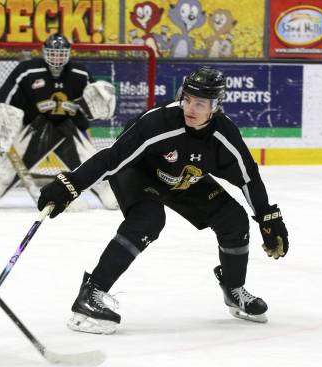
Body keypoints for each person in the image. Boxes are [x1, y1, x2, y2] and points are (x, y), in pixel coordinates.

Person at [37, 66, 289, 334]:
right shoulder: (159, 123)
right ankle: (91, 293)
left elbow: (248, 176)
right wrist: (72, 184)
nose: (190, 108)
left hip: (183, 178)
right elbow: (113, 158)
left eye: (200, 103)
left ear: (215, 106)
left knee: (234, 220)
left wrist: (267, 217)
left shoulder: (223, 136)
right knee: (148, 221)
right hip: (138, 173)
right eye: (187, 99)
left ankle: (234, 288)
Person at [0, 33, 118, 209]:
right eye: (53, 53)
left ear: (69, 53)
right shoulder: (28, 70)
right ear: (44, 52)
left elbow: (91, 105)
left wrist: (90, 109)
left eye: (61, 54)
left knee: (90, 161)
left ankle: (111, 194)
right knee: (7, 168)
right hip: (35, 128)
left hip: (67, 129)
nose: (57, 58)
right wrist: (5, 121)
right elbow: (5, 98)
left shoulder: (80, 73)